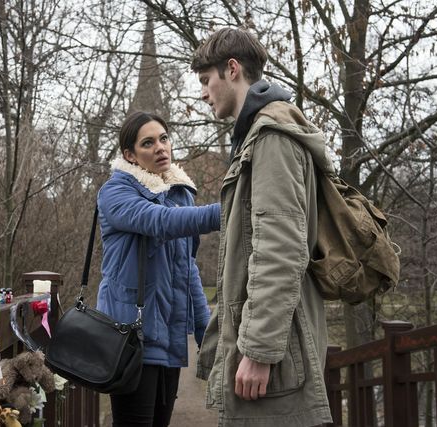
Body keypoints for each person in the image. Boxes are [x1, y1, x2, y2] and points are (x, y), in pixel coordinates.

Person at [191, 28, 334, 426]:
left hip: (277, 355)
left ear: (232, 69)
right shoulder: (257, 137)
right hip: (275, 346)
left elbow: (280, 249)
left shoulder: (271, 139)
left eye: (206, 80)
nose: (203, 93)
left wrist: (258, 350)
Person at [96, 111, 221, 427]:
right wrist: (230, 210)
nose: (160, 147)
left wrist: (206, 330)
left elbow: (187, 268)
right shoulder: (115, 192)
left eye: (164, 138)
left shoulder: (179, 193)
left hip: (169, 336)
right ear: (130, 155)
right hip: (130, 338)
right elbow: (160, 221)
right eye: (148, 143)